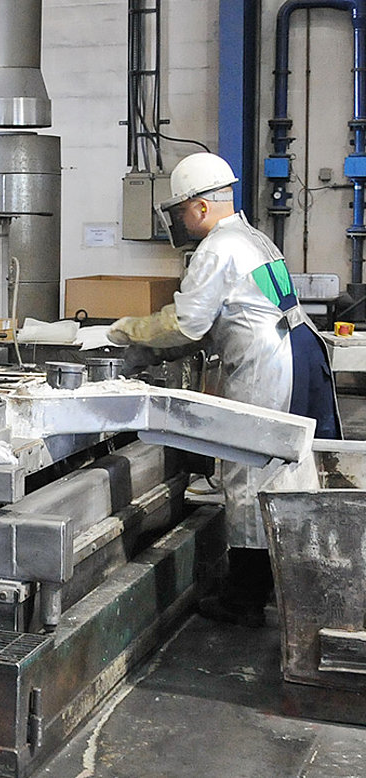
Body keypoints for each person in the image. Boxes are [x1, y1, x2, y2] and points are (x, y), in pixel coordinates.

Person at [108, 151, 340, 627]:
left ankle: (246, 598)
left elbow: (188, 323)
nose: (179, 221)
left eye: (178, 210)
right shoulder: (252, 237)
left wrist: (124, 333)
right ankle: (295, 585)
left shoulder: (216, 247)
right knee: (291, 475)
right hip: (302, 353)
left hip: (269, 367)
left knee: (251, 472)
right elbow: (216, 321)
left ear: (196, 207)